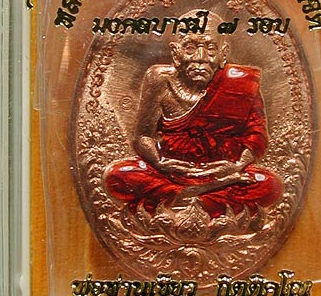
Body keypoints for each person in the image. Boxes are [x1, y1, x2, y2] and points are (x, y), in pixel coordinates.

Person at [104, 11, 283, 218]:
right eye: (190, 47)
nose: (200, 58)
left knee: (269, 185)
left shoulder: (242, 83)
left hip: (224, 172)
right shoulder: (159, 80)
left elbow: (256, 137)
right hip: (172, 172)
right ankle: (203, 198)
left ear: (224, 54)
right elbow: (143, 136)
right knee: (118, 176)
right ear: (175, 53)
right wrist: (160, 162)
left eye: (210, 48)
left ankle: (179, 198)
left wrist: (236, 166)